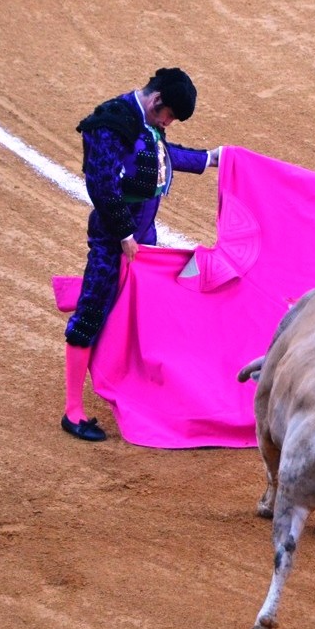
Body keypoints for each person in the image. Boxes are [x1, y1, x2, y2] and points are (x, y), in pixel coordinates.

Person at [62, 67, 222, 442]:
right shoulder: (111, 122)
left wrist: (210, 159)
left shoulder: (146, 121)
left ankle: (138, 390)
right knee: (92, 312)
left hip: (142, 239)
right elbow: (101, 184)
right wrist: (123, 233)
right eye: (168, 116)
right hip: (113, 241)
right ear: (156, 101)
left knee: (140, 315)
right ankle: (73, 412)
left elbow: (162, 156)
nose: (168, 123)